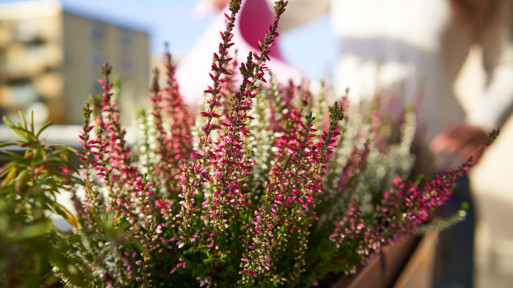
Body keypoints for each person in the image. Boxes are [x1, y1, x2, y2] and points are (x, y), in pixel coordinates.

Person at [182, 1, 513, 287]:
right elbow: (276, 9)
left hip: (440, 167)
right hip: (358, 171)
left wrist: (484, 122)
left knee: (452, 279)